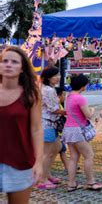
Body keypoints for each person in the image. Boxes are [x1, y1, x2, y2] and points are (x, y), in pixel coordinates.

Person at [0, 46, 43, 203]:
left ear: (22, 68)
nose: (9, 64)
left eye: (14, 62)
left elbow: (37, 129)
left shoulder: (30, 95)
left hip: (21, 162)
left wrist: (39, 162)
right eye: (4, 61)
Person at [62, 74, 102, 192]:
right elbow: (88, 115)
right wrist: (92, 110)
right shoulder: (80, 98)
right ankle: (91, 182)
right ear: (83, 86)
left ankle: (71, 184)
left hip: (68, 130)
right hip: (77, 131)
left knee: (74, 157)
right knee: (89, 155)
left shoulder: (69, 97)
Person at [37, 66, 66, 190]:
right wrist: (67, 112)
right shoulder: (48, 90)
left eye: (58, 75)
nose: (58, 77)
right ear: (48, 78)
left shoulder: (48, 88)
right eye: (55, 75)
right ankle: (41, 180)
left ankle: (47, 175)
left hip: (49, 124)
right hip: (46, 124)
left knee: (57, 147)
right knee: (47, 153)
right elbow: (53, 109)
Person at [56, 87, 70, 173]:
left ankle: (68, 167)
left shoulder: (59, 104)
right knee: (61, 150)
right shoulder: (56, 105)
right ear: (59, 95)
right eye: (64, 95)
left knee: (62, 150)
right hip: (56, 132)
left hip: (59, 132)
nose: (65, 97)